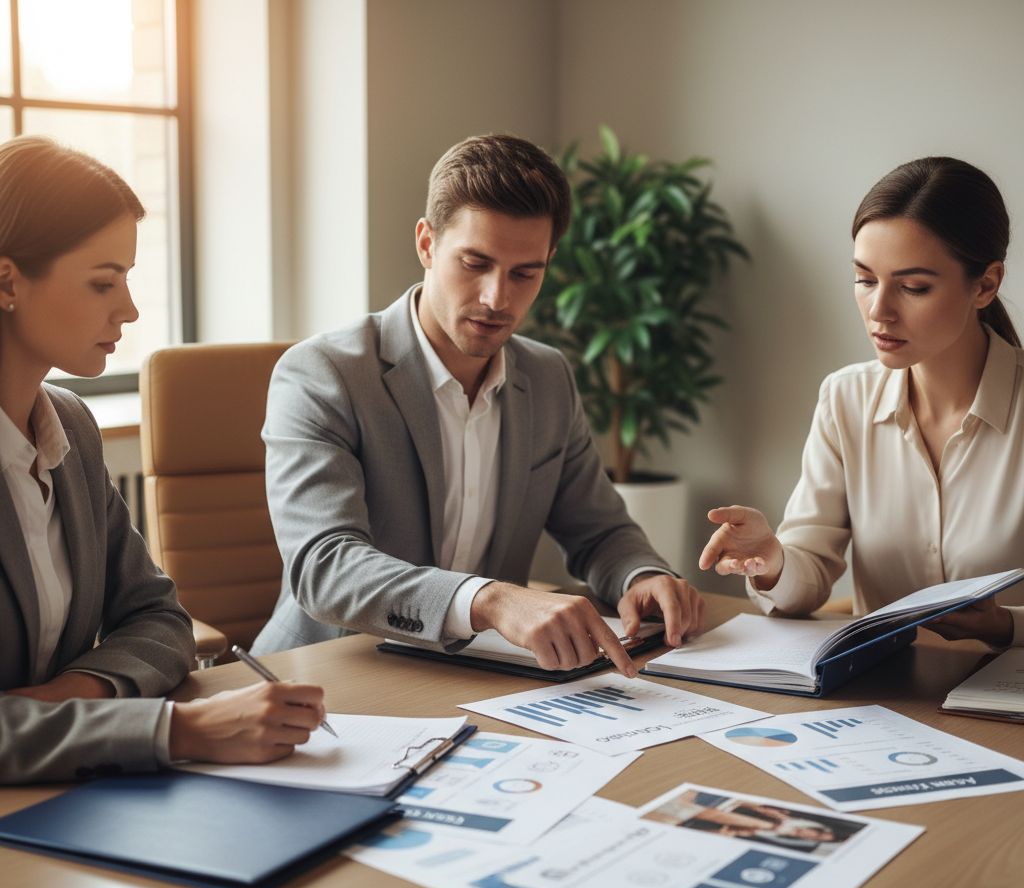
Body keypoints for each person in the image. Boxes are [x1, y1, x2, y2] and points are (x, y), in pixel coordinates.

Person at [252, 134, 704, 673]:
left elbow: (599, 529)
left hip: (479, 676)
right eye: (475, 263)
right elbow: (325, 568)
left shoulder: (547, 377)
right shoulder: (325, 374)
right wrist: (489, 599)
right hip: (331, 674)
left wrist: (642, 576)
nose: (497, 298)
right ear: (426, 244)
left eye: (524, 274)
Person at [0, 137, 327, 783]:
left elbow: (158, 617)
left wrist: (70, 702)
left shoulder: (67, 425)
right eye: (104, 281)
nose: (129, 309)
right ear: (7, 280)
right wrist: (177, 728)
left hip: (61, 793)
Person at [699, 156, 1024, 647]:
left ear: (985, 285)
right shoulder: (845, 397)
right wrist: (772, 558)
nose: (879, 311)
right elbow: (807, 577)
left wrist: (1007, 625)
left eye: (914, 287)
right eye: (866, 280)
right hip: (885, 701)